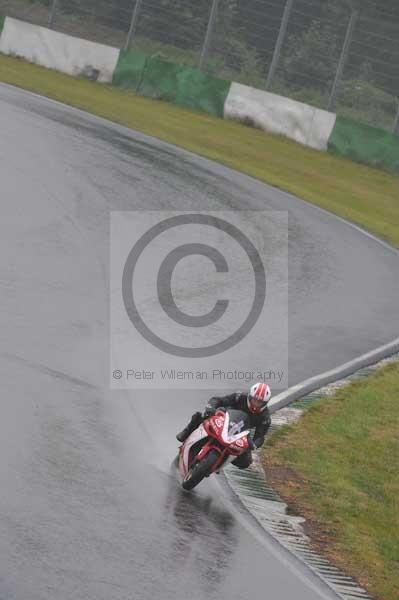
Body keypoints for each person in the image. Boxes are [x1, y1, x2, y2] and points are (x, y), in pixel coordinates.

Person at [176, 383, 272, 469]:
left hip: (240, 434)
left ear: (265, 403)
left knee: (246, 462)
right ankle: (186, 433)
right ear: (250, 397)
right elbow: (218, 400)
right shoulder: (239, 397)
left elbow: (260, 436)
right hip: (223, 419)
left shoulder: (265, 417)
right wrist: (211, 408)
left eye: (260, 402)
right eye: (254, 400)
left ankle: (222, 461)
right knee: (200, 416)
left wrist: (254, 444)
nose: (256, 404)